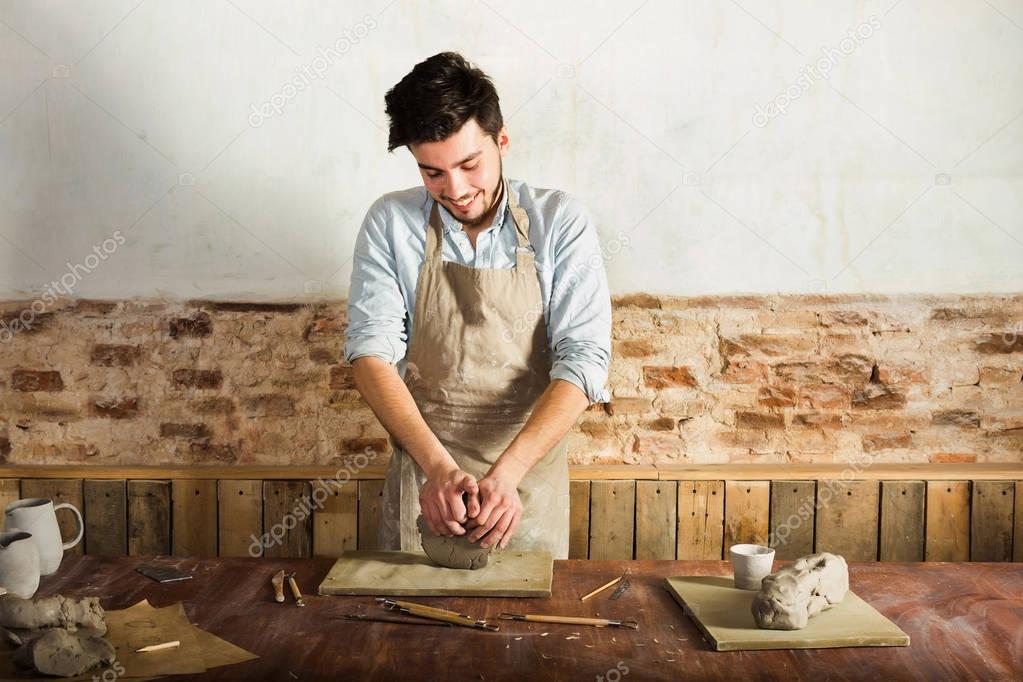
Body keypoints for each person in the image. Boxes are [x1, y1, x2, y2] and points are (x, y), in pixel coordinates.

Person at [344, 52, 611, 560]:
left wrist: (507, 475)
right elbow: (369, 355)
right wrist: (439, 470)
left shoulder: (560, 222)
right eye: (433, 173)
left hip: (526, 482)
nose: (457, 190)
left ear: (501, 140)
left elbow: (583, 362)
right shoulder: (389, 222)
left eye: (470, 165)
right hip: (426, 484)